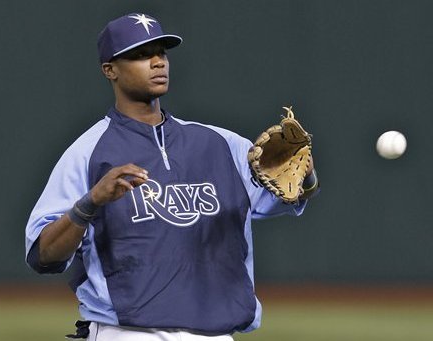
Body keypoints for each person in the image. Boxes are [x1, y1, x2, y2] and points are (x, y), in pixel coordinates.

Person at [25, 12, 319, 341]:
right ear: (110, 70)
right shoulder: (88, 153)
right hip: (126, 332)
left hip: (215, 333)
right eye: (139, 55)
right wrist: (90, 203)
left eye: (161, 52)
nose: (157, 62)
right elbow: (43, 256)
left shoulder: (221, 144)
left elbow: (285, 195)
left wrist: (306, 175)